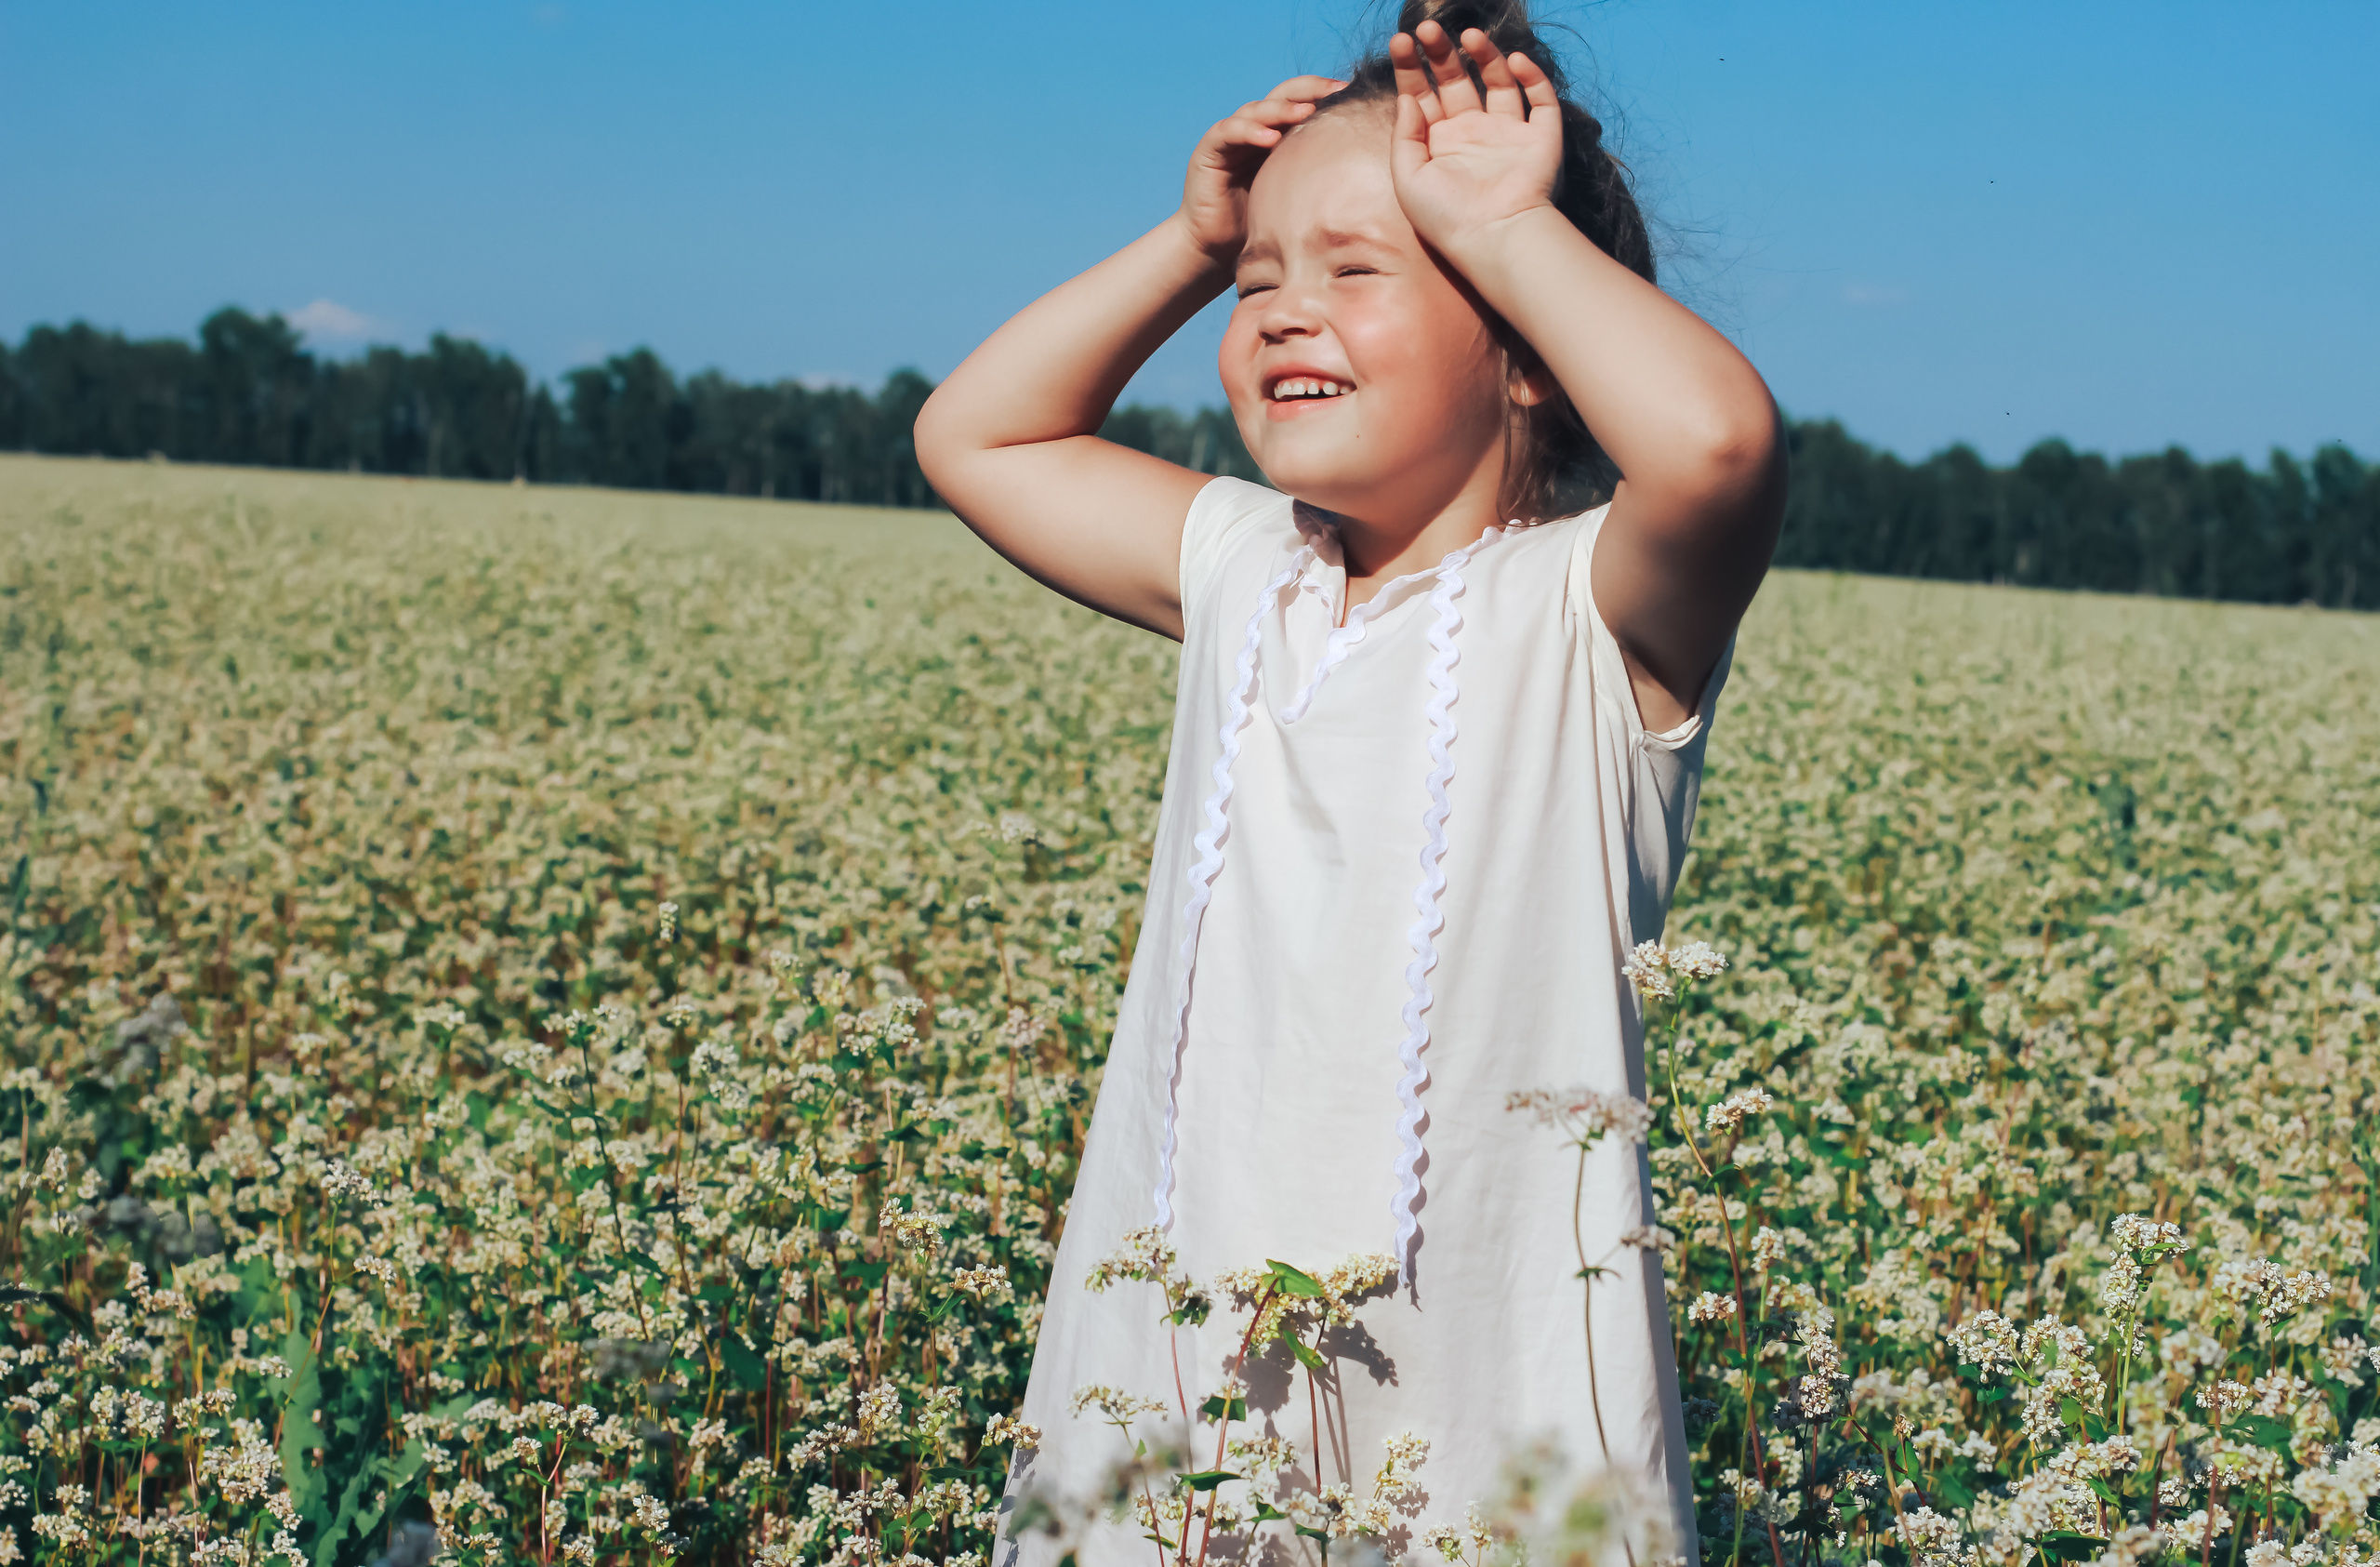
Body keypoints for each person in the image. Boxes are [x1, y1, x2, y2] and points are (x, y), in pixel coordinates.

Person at [916, 0, 1784, 1559]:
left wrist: (1508, 227)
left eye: (1362, 267)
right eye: (1258, 281)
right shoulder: (1249, 565)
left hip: (1480, 1380)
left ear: (1528, 356)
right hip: (1178, 1346)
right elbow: (977, 434)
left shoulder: (1594, 614)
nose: (1282, 313)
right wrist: (1188, 244)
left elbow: (1716, 447)